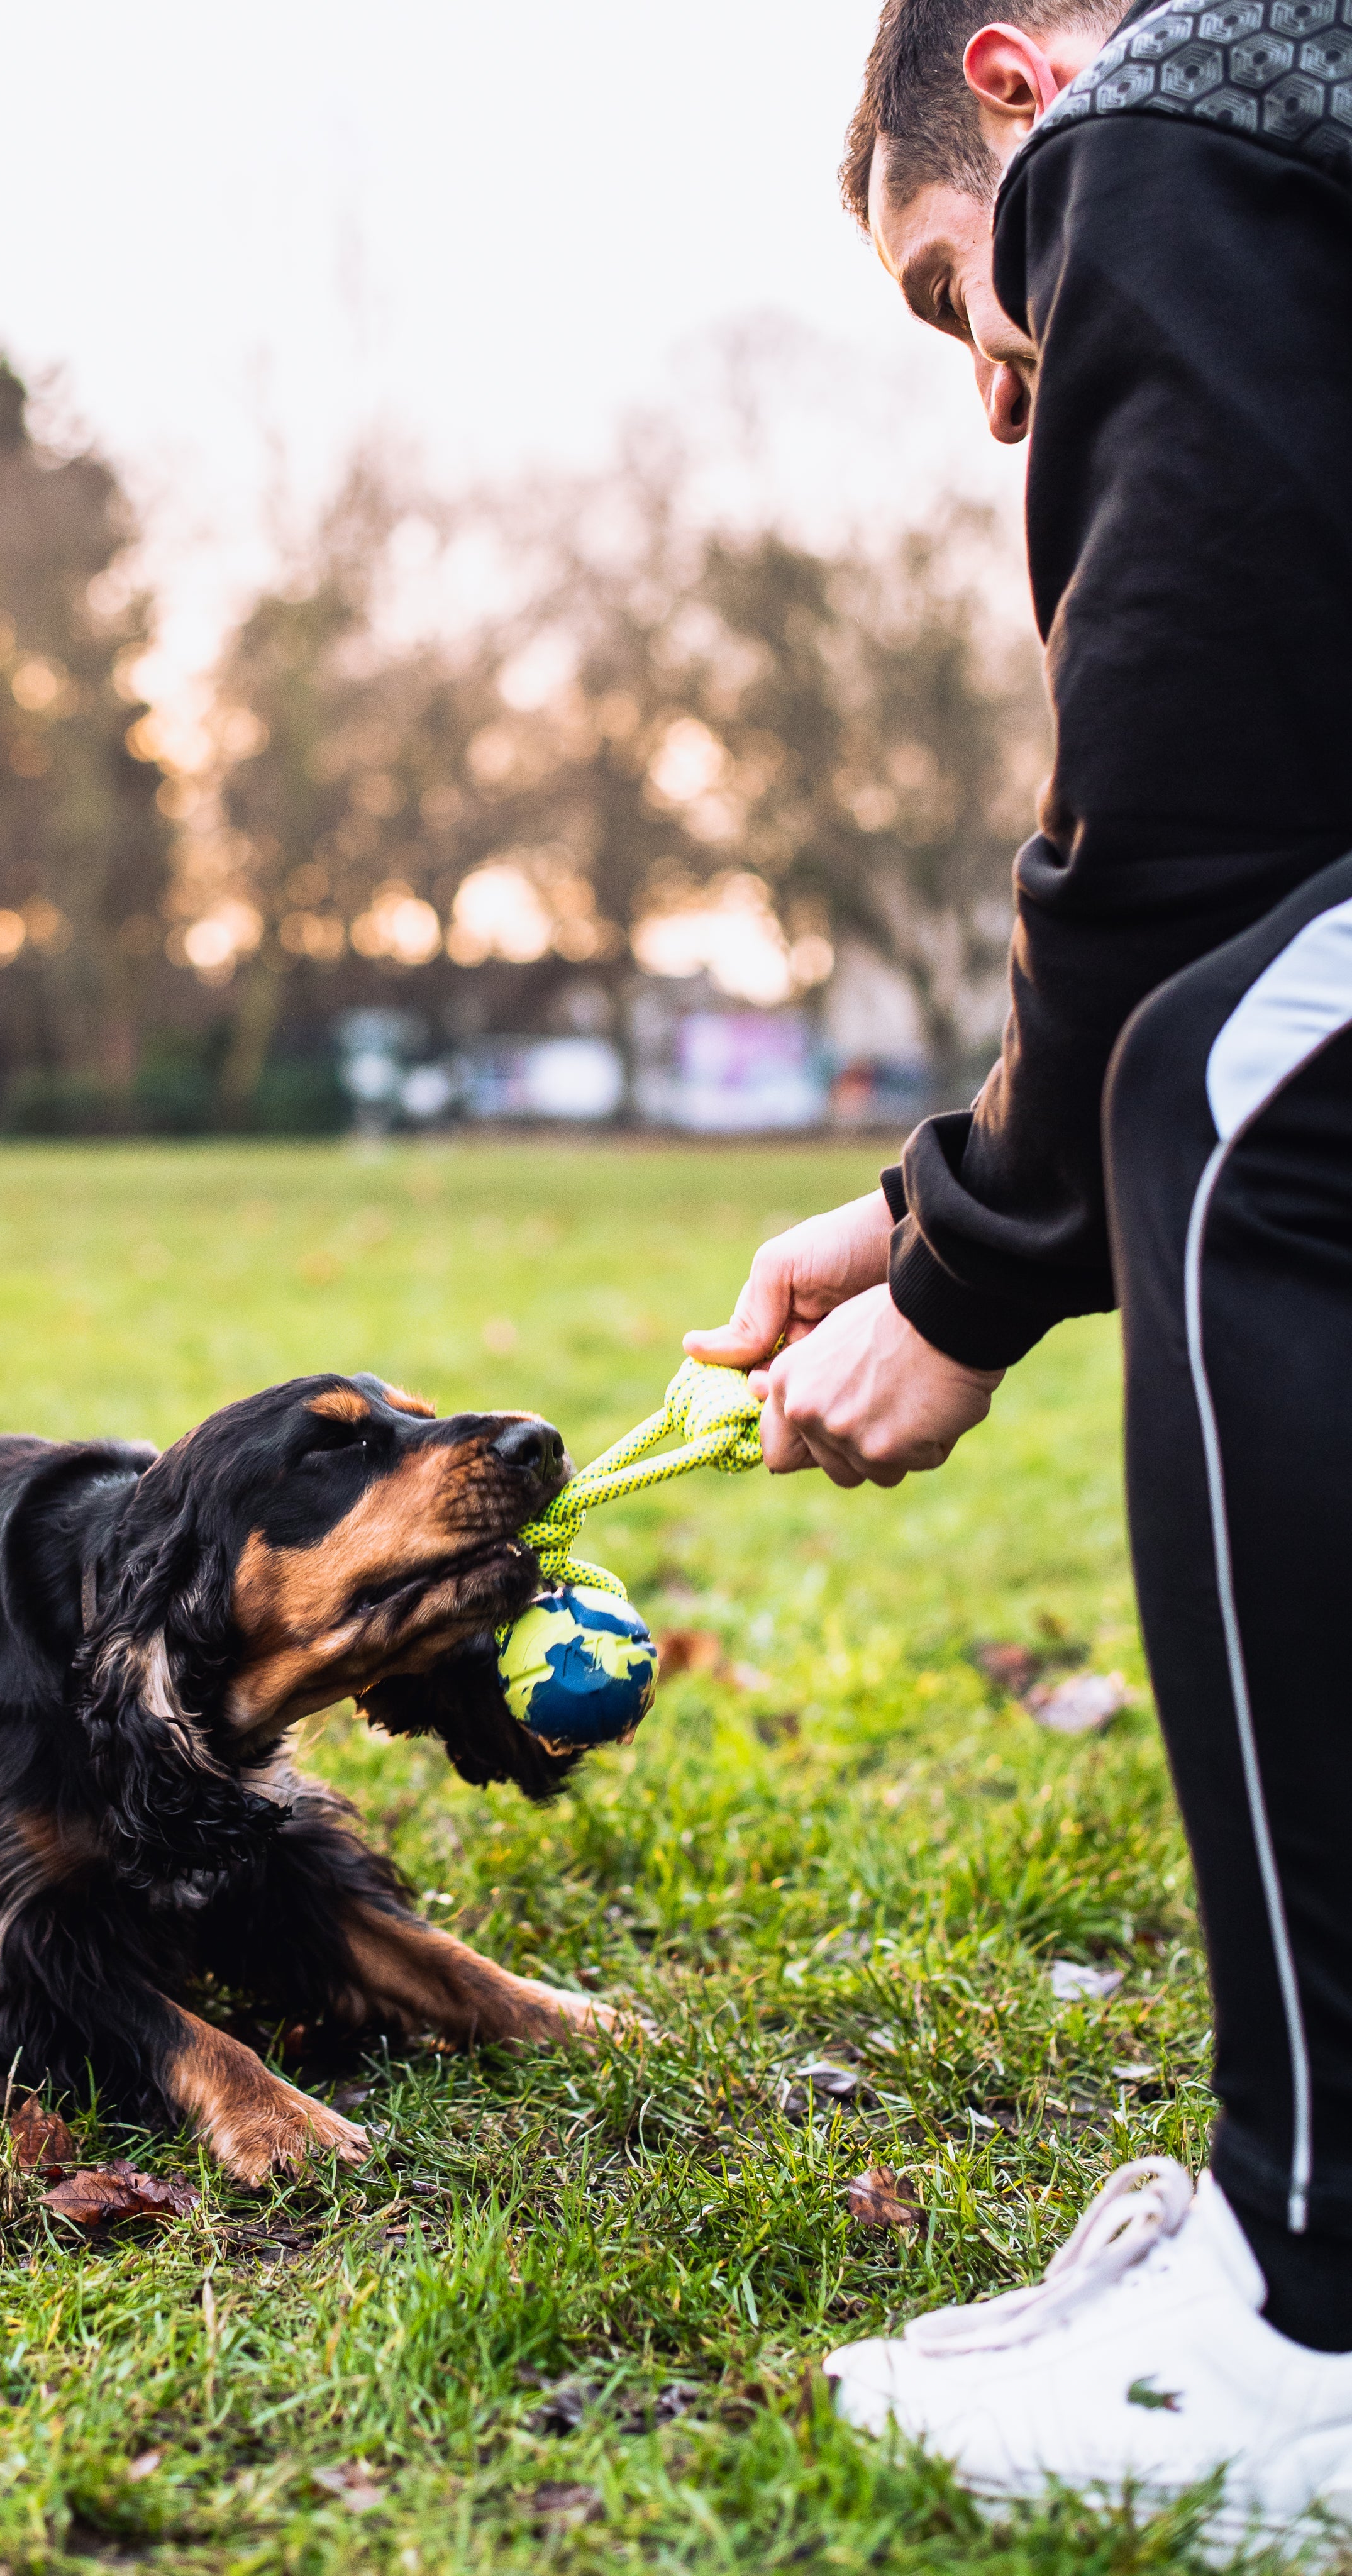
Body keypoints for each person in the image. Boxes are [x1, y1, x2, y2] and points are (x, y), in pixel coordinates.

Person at [685, 0, 1352, 2534]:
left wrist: (960, 1291)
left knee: (1249, 1123)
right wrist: (920, 1210)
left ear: (1012, 74)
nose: (994, 381)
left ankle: (1313, 2312)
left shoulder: (1169, 109)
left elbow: (1188, 823)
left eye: (953, 291)